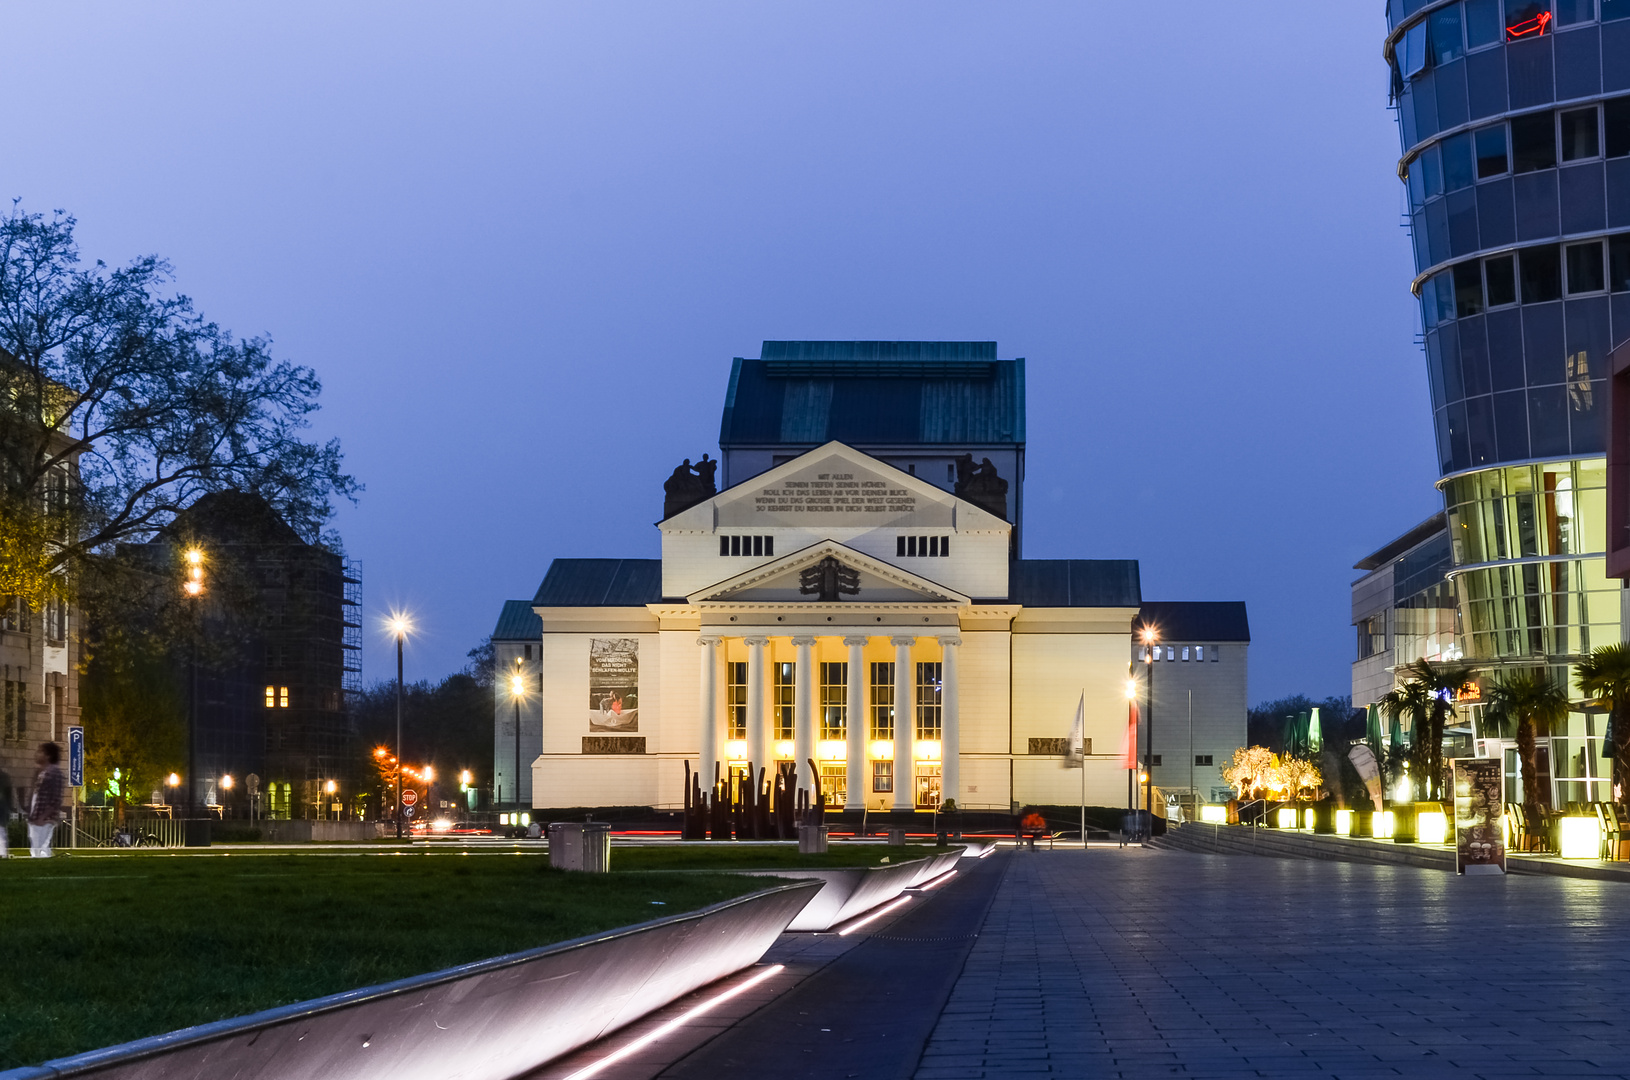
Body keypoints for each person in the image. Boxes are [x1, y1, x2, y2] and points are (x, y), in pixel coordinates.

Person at [28, 742, 64, 858]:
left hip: (43, 819)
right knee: (37, 850)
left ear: (48, 756)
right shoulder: (44, 773)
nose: (37, 754)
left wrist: (42, 817)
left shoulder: (53, 773)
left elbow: (55, 799)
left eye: (41, 752)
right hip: (39, 817)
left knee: (40, 852)